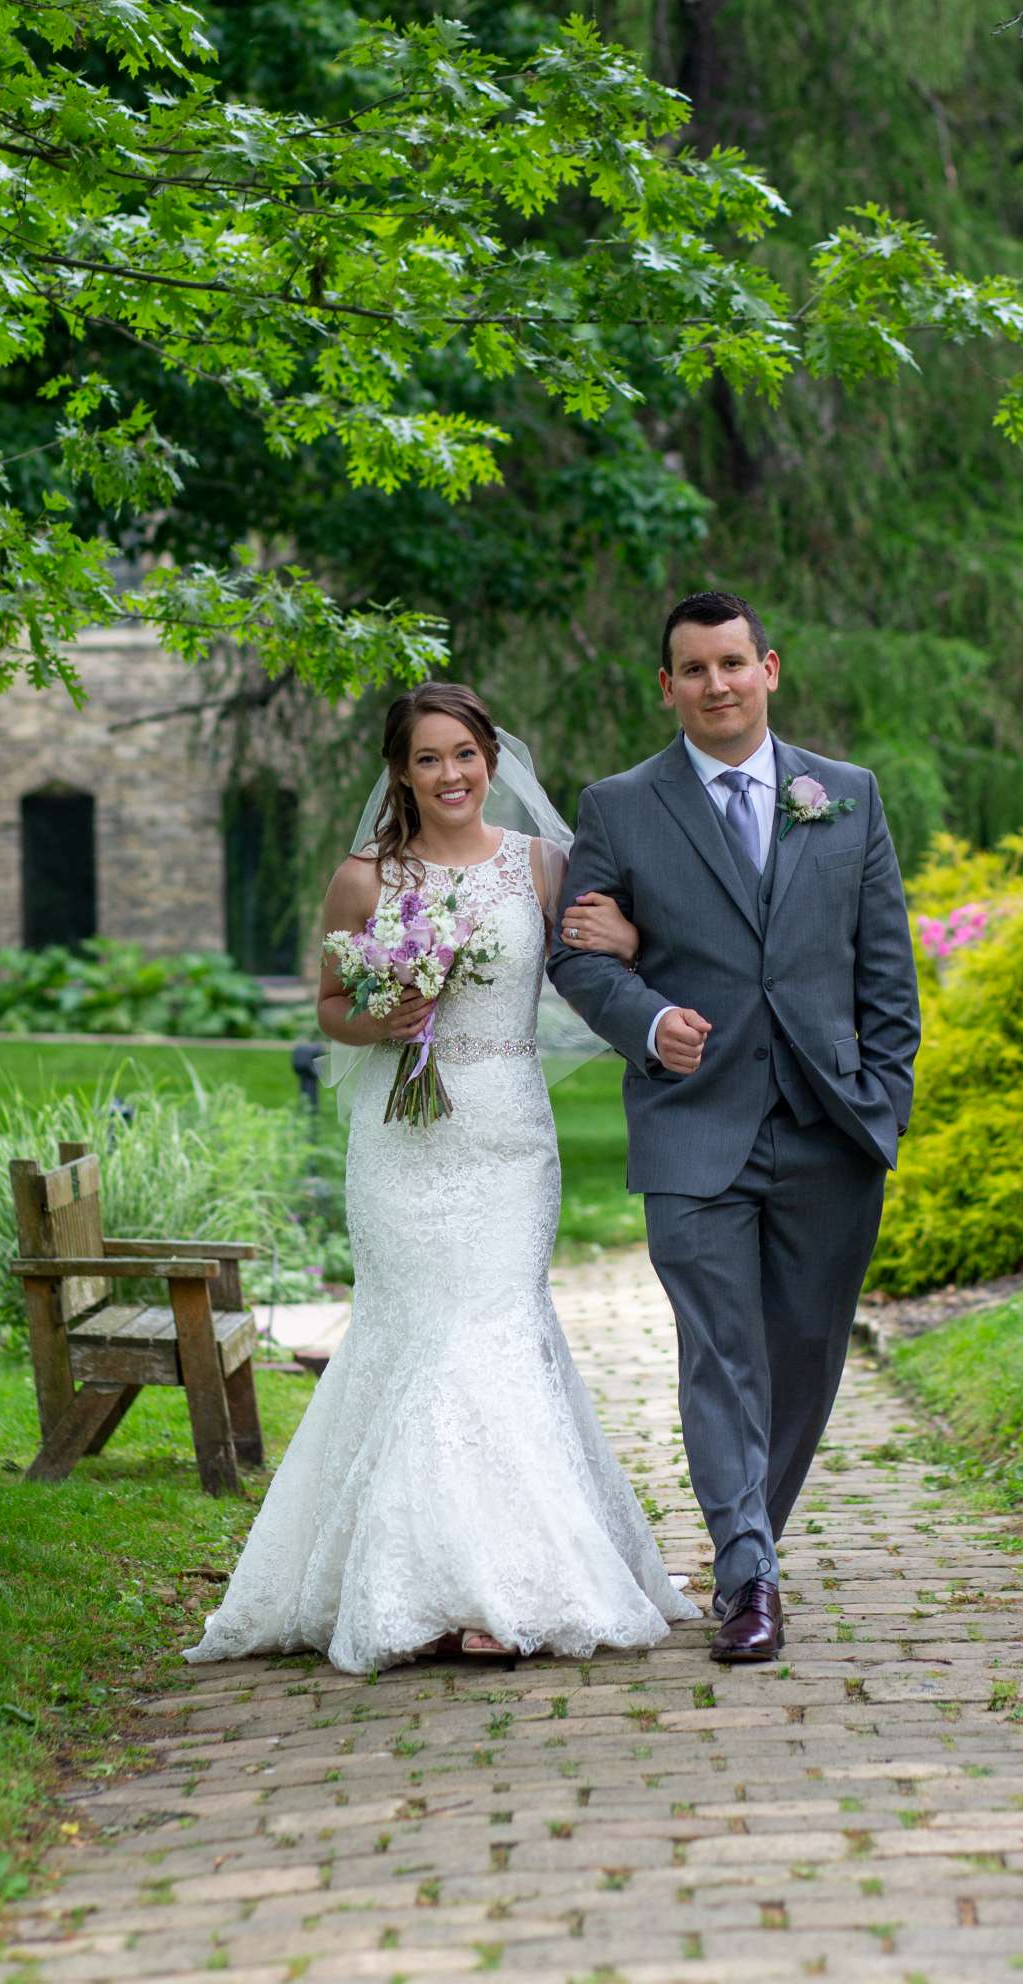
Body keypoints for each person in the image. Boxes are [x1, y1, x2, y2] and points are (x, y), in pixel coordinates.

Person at [185, 681, 700, 1674]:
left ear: (489, 761)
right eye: (428, 758)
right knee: (417, 1331)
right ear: (401, 772)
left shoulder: (540, 865)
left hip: (507, 1131)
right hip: (401, 1140)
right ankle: (409, 1581)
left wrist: (628, 944)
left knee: (492, 1327)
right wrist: (379, 1019)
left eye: (464, 754)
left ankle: (494, 1590)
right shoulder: (365, 878)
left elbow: (603, 962)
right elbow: (329, 1002)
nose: (451, 774)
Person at [548, 591, 920, 1664]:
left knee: (801, 1357)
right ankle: (746, 1571)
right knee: (721, 1354)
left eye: (731, 663)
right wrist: (649, 1018)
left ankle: (752, 1538)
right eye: (692, 669)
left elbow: (884, 973)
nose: (715, 684)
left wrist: (878, 1108)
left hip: (827, 1130)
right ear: (665, 687)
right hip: (692, 1126)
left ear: (770, 667)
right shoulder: (618, 806)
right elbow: (579, 953)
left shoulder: (842, 796)